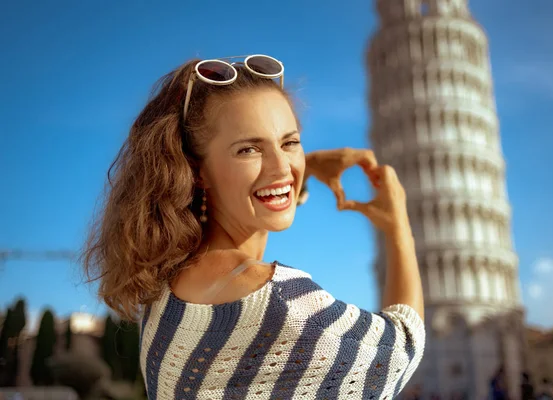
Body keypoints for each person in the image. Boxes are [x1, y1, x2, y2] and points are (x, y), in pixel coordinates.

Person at [82, 54, 425, 399]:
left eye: (290, 142)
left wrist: (310, 167)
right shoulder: (279, 301)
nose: (282, 167)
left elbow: (264, 191)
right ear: (197, 170)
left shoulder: (165, 287)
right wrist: (399, 229)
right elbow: (402, 347)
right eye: (248, 149)